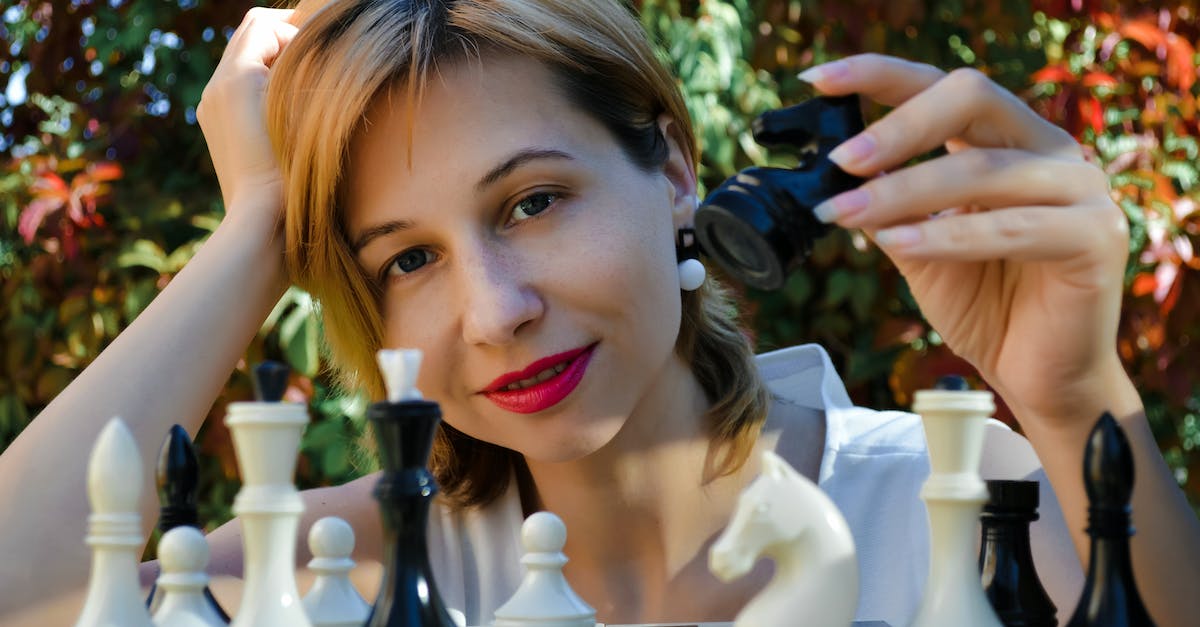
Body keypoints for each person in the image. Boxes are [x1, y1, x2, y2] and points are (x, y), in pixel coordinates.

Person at [2, 0, 1198, 625]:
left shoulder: (956, 499)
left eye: (532, 202)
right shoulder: (338, 565)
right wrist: (262, 226)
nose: (496, 311)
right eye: (407, 259)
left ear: (672, 170)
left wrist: (1073, 401)